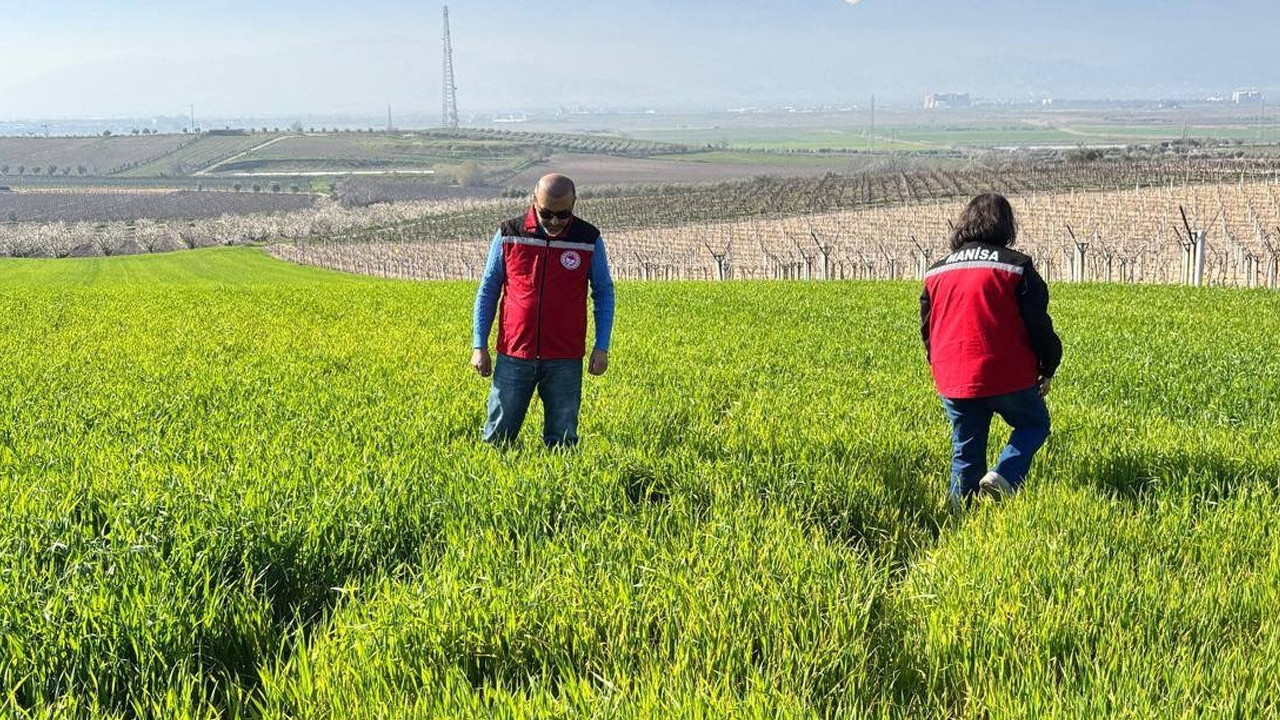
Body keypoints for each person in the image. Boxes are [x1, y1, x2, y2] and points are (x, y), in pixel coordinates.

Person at [920, 193, 1062, 505]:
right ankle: (1005, 475)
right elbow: (1038, 324)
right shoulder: (1016, 266)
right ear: (1005, 225)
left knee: (965, 452)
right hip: (1007, 374)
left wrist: (941, 368)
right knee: (1034, 423)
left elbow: (928, 330)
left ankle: (959, 523)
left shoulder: (935, 272)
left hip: (954, 379)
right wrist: (1048, 365)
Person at [471, 173, 615, 448]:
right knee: (497, 440)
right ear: (533, 201)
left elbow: (604, 292)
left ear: (574, 203)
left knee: (562, 442)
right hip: (514, 355)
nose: (555, 222)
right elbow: (488, 290)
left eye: (563, 215)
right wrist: (479, 345)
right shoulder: (508, 234)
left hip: (565, 357)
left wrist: (602, 346)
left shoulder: (588, 239)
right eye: (546, 213)